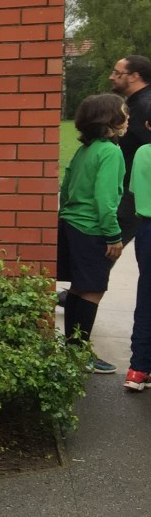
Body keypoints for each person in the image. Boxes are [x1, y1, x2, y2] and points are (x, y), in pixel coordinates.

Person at [59, 93, 128, 374]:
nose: (127, 117)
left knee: (79, 287)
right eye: (123, 112)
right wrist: (113, 236)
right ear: (110, 119)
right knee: (94, 290)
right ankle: (79, 355)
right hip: (92, 230)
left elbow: (65, 187)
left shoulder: (84, 150)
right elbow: (105, 199)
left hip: (71, 224)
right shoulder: (110, 151)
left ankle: (72, 351)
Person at [108, 55, 151, 244]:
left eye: (117, 73)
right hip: (133, 190)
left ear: (134, 76)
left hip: (134, 194)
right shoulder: (136, 103)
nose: (111, 77)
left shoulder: (143, 106)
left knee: (105, 249)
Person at [124, 116, 151, 393]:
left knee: (146, 297)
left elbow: (134, 189)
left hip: (146, 229)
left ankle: (138, 368)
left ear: (147, 125)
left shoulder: (143, 152)